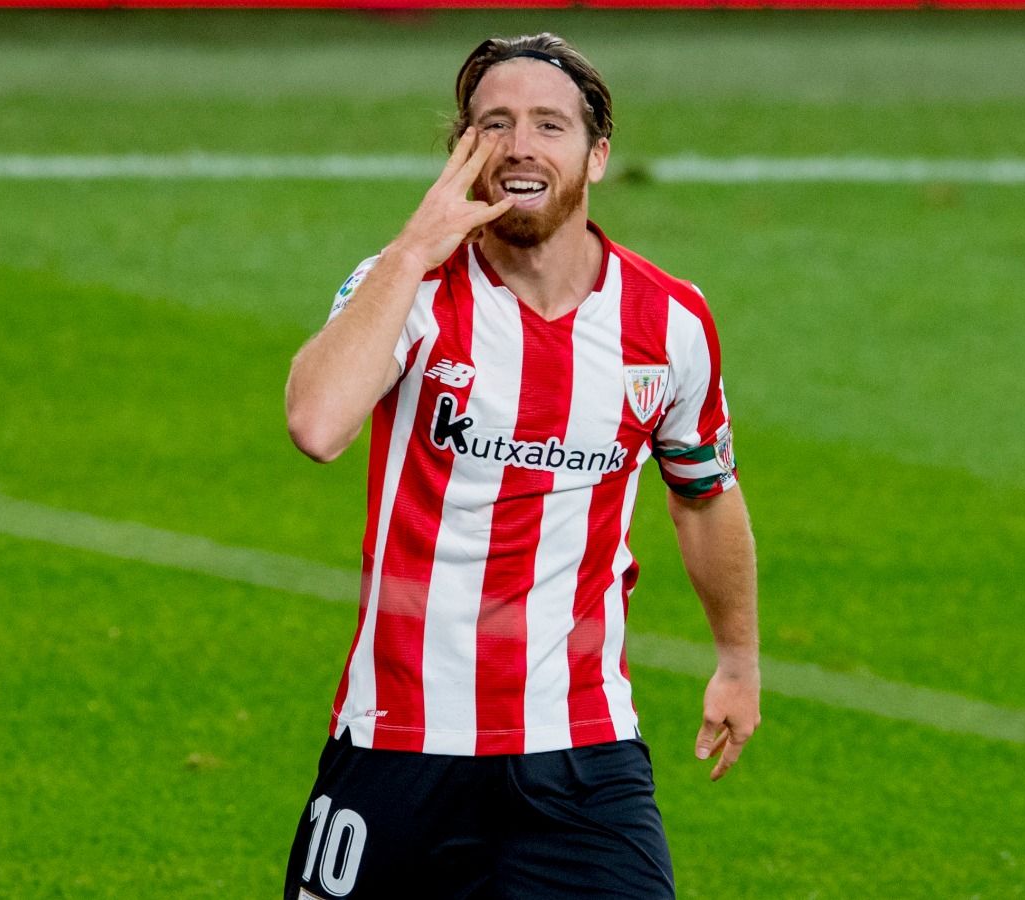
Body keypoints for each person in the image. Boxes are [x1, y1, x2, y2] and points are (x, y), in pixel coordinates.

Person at [281, 33, 759, 899]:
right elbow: (316, 424)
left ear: (596, 156)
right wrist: (411, 248)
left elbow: (703, 495)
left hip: (582, 758)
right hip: (398, 745)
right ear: (463, 151)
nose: (522, 146)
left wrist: (737, 658)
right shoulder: (406, 293)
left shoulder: (669, 322)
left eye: (549, 124)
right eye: (493, 125)